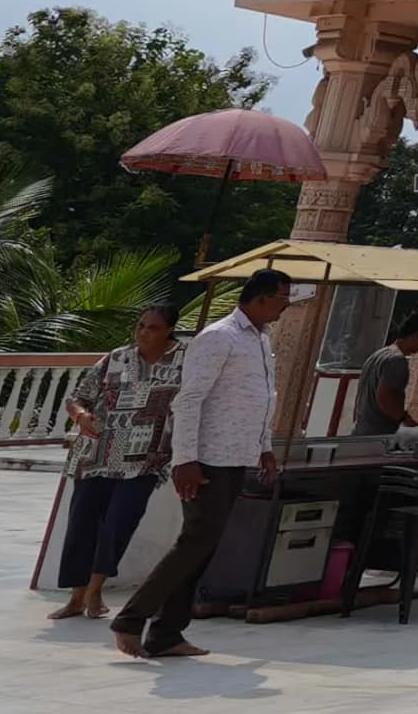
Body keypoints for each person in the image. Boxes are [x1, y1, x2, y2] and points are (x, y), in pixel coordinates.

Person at [113, 266, 290, 662]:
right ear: (260, 298)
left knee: (204, 546)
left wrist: (263, 446)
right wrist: (185, 460)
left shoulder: (260, 340)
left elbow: (260, 399)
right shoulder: (219, 338)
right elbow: (189, 400)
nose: (285, 308)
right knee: (195, 540)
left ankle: (167, 633)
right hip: (207, 457)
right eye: (282, 299)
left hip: (236, 454)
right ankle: (131, 618)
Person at [47, 303, 185, 621]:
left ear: (168, 331)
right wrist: (81, 416)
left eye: (152, 327)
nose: (143, 333)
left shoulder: (184, 362)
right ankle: (76, 596)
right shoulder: (116, 358)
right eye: (140, 326)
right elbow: (77, 396)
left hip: (146, 459)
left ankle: (96, 589)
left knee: (119, 523)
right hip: (96, 454)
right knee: (82, 523)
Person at [351, 312, 418, 436]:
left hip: (361, 430)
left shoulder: (378, 355)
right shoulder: (397, 361)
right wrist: (405, 420)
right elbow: (385, 397)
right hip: (377, 435)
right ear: (417, 335)